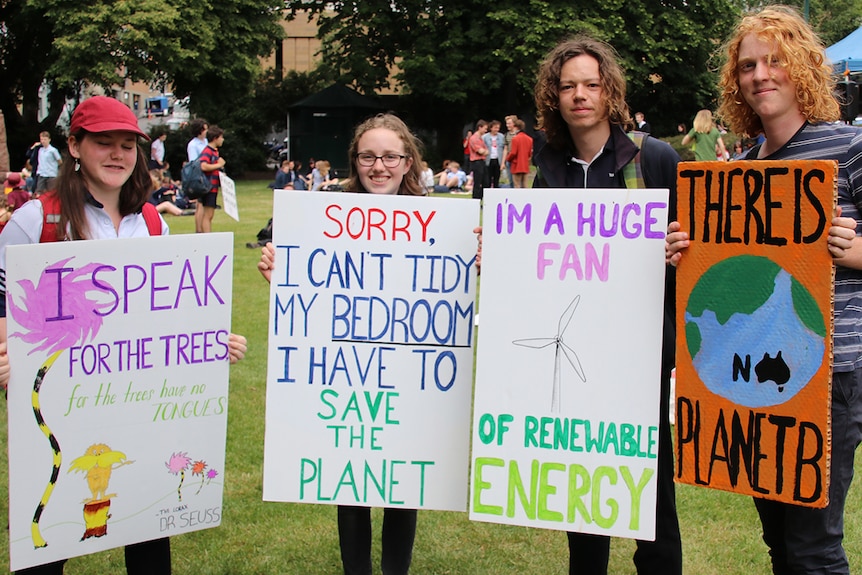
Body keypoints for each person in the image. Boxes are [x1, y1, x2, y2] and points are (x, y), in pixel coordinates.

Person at [0, 95, 247, 575]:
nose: (117, 154)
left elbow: (168, 311)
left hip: (137, 401)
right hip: (62, 399)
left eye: (127, 145)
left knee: (147, 524)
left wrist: (210, 340)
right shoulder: (39, 217)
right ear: (74, 145)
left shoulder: (151, 221)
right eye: (103, 143)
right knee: (50, 532)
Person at [666, 6, 862, 574]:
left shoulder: (849, 149)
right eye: (747, 65)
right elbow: (732, 273)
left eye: (774, 61)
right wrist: (687, 252)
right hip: (753, 368)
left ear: (800, 66)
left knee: (812, 546)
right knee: (778, 540)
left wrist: (851, 251)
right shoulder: (744, 166)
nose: (760, 75)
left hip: (829, 376)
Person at [531, 35, 683, 575]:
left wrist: (678, 249)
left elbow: (694, 248)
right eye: (568, 85)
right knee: (584, 494)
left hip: (638, 356)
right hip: (570, 353)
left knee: (651, 493)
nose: (579, 95)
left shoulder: (655, 158)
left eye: (591, 84)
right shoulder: (537, 166)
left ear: (609, 91)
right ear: (554, 94)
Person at [258, 113, 424, 575]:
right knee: (349, 477)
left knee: (401, 478)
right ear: (355, 160)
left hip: (406, 369)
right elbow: (310, 292)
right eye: (368, 156)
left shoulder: (434, 218)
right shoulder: (326, 215)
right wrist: (280, 272)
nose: (379, 166)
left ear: (407, 161)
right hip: (346, 367)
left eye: (390, 156)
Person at [196, 124, 225, 233]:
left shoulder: (214, 151)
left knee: (209, 214)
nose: (222, 140)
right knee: (208, 215)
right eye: (221, 137)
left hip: (212, 186)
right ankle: (207, 237)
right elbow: (203, 165)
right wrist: (218, 165)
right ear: (215, 138)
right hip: (208, 187)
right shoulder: (208, 151)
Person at [505, 119, 533, 188]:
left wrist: (507, 159)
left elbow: (513, 153)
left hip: (516, 165)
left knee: (517, 185)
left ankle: (517, 199)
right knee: (525, 185)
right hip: (525, 165)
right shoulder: (529, 139)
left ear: (516, 127)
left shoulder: (515, 139)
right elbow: (529, 153)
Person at [33, 131, 62, 196]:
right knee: (39, 191)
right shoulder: (40, 150)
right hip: (42, 173)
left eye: (45, 139)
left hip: (51, 174)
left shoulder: (53, 150)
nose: (43, 141)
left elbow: (59, 161)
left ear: (49, 140)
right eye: (42, 139)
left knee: (51, 191)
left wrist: (53, 166)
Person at [468, 120, 489, 200]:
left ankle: (482, 198)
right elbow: (481, 151)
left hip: (482, 162)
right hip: (476, 162)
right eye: (485, 128)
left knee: (486, 182)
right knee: (477, 182)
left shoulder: (481, 139)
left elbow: (486, 151)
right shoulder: (474, 138)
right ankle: (476, 200)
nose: (486, 131)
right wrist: (484, 151)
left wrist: (485, 151)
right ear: (479, 127)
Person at [482, 120, 505, 189]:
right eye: (495, 128)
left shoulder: (502, 136)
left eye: (498, 128)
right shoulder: (485, 137)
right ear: (491, 128)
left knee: (496, 179)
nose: (497, 129)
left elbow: (504, 149)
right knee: (488, 179)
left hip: (498, 159)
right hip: (488, 160)